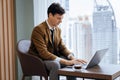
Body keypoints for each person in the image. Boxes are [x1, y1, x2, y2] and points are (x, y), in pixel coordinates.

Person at [29, 2, 86, 80]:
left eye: (62, 18)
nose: (61, 21)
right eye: (58, 18)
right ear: (50, 15)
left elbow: (62, 47)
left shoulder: (57, 30)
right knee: (55, 64)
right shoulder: (38, 30)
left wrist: (72, 58)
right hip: (40, 59)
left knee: (71, 57)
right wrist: (66, 62)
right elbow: (43, 53)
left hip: (51, 57)